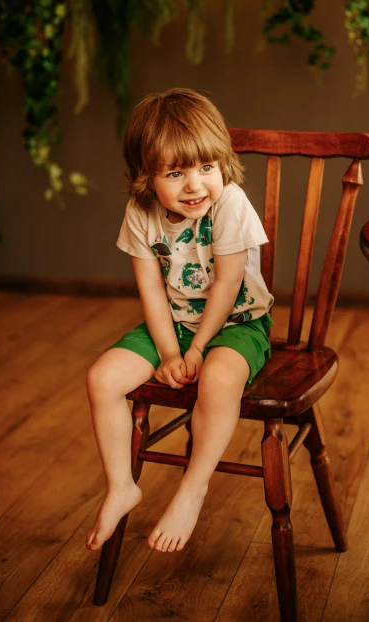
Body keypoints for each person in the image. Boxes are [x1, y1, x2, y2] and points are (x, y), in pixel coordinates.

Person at [85, 88, 274, 554]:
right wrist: (170, 351)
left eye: (206, 167)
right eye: (175, 173)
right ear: (146, 177)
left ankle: (193, 486)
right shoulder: (141, 212)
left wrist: (194, 351)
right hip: (172, 323)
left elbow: (228, 285)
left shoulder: (229, 203)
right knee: (102, 378)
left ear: (221, 165)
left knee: (218, 378)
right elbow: (150, 289)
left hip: (237, 323)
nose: (195, 185)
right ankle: (120, 485)